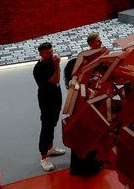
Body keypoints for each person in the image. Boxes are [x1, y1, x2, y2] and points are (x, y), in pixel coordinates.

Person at [64, 33, 104, 177]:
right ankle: (85, 168)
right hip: (82, 105)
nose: (100, 43)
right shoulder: (81, 63)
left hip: (86, 103)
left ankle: (84, 167)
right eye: (98, 41)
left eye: (100, 41)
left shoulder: (89, 61)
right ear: (91, 44)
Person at [33, 42, 65, 172]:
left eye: (51, 51)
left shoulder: (51, 61)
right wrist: (57, 64)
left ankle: (50, 148)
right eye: (47, 53)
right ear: (41, 54)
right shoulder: (39, 68)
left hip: (56, 96)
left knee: (53, 123)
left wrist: (56, 64)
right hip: (46, 99)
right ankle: (44, 157)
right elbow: (56, 80)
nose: (51, 54)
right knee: (46, 126)